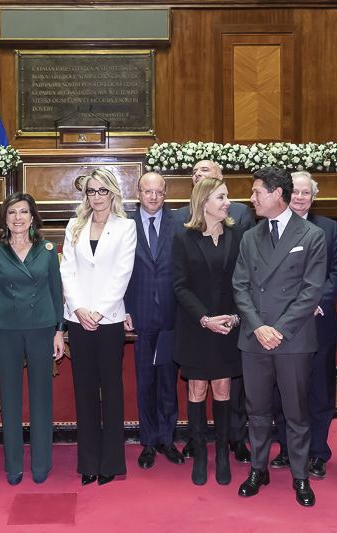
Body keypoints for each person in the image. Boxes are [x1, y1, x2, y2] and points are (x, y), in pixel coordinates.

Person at [232, 166, 326, 507]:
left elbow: (311, 291)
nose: (252, 198)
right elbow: (240, 286)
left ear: (277, 195)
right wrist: (258, 326)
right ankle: (258, 468)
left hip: (294, 337)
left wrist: (280, 330)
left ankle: (301, 477)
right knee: (256, 410)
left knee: (296, 411)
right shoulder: (249, 235)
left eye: (257, 192)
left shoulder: (311, 235)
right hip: (255, 337)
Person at [0, 192, 66, 486]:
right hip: (5, 329)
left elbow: (57, 292)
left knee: (42, 397)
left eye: (23, 212)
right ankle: (14, 464)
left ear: (33, 218)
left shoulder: (46, 249)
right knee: (11, 398)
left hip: (42, 328)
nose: (18, 218)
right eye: (12, 213)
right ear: (5, 219)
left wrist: (59, 331)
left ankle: (41, 463)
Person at [60, 169, 136, 486]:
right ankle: (89, 462)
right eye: (91, 191)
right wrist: (78, 309)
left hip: (109, 320)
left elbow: (123, 273)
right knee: (85, 392)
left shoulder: (126, 227)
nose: (97, 197)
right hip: (78, 320)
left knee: (112, 391)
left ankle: (112, 463)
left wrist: (99, 312)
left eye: (102, 191)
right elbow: (67, 269)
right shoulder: (75, 226)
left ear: (113, 193)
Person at [175, 159, 254, 464]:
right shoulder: (183, 237)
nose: (228, 202)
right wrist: (205, 319)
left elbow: (244, 282)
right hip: (197, 328)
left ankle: (222, 453)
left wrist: (234, 317)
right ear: (204, 202)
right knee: (196, 389)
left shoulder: (238, 236)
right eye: (221, 197)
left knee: (223, 388)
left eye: (227, 196)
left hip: (228, 327)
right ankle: (199, 456)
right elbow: (180, 286)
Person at [270, 171, 337, 479]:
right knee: (282, 392)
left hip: (318, 322)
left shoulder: (328, 228)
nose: (300, 197)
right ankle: (287, 448)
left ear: (314, 196)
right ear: (286, 194)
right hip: (281, 327)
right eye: (295, 192)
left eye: (306, 193)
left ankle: (317, 453)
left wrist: (313, 303)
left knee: (319, 392)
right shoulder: (270, 226)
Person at [124, 172, 184, 469]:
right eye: (147, 192)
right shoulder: (123, 225)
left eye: (158, 192)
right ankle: (148, 441)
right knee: (145, 381)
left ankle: (167, 439)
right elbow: (117, 272)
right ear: (138, 192)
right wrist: (122, 309)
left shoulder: (180, 223)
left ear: (165, 193)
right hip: (139, 314)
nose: (153, 197)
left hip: (172, 315)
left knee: (168, 383)